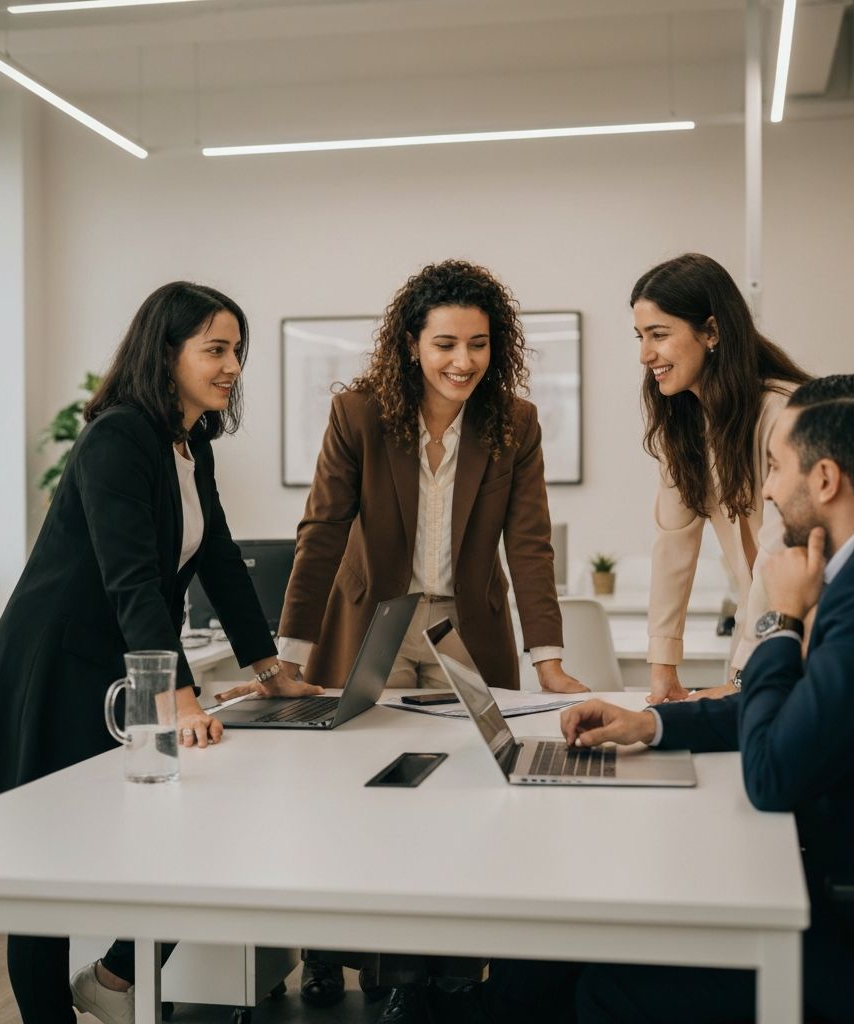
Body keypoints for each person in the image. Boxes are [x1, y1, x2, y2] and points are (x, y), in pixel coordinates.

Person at [520, 374, 854, 1023]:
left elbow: (772, 773)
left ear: (825, 480)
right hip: (849, 871)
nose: (765, 489)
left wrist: (781, 621)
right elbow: (805, 708)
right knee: (565, 952)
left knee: (606, 984)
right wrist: (650, 723)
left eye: (775, 467)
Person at [216, 258, 588, 1024]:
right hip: (375, 623)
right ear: (411, 343)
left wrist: (548, 660)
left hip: (465, 626)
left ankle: (451, 963)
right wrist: (283, 655)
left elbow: (530, 542)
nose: (463, 361)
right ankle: (365, 966)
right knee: (370, 796)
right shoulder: (361, 414)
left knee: (469, 796)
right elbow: (320, 533)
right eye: (446, 342)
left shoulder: (512, 421)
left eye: (479, 344)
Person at [0, 282, 321, 1024]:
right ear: (167, 354)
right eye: (216, 349)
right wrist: (177, 699)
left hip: (126, 660)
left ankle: (117, 976)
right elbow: (132, 578)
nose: (232, 366)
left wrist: (268, 665)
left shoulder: (189, 444)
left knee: (175, 833)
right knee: (46, 862)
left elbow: (220, 559)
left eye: (237, 351)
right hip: (58, 662)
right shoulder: (117, 437)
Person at [633, 253, 811, 704]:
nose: (644, 355)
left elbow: (778, 549)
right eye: (640, 337)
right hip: (756, 631)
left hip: (808, 629)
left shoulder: (784, 413)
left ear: (711, 331)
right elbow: (672, 545)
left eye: (658, 335)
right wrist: (662, 669)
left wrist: (738, 680)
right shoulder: (684, 423)